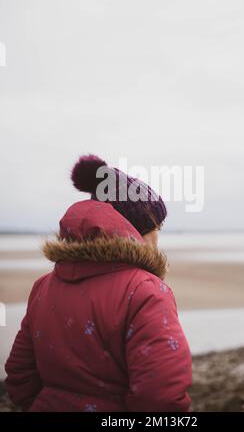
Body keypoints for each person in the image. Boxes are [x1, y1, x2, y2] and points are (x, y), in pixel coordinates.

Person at [5, 155, 192, 412]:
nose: (158, 237)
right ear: (136, 230)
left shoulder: (43, 287)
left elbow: (20, 374)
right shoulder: (145, 291)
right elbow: (160, 396)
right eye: (157, 227)